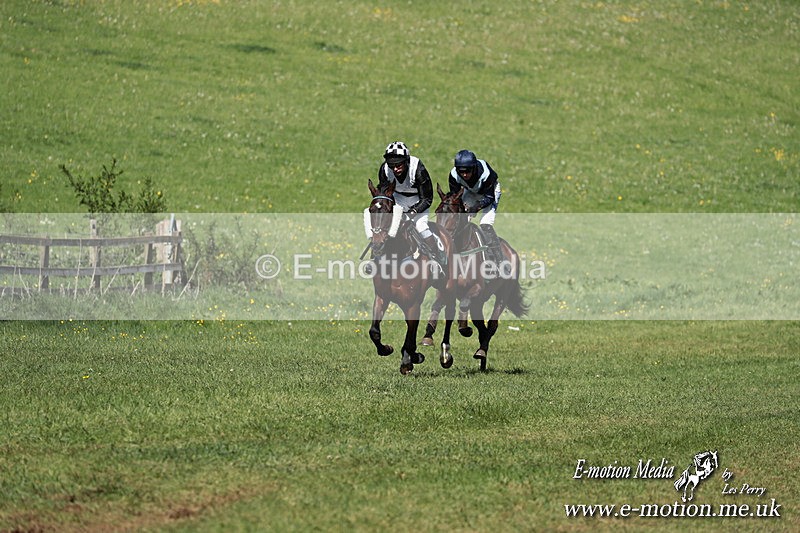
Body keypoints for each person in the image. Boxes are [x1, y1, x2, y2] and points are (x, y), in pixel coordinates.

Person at [377, 141, 446, 273]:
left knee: (421, 228)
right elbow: (385, 194)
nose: (395, 169)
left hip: (418, 201)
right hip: (398, 200)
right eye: (392, 165)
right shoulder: (385, 170)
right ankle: (376, 258)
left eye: (398, 165)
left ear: (406, 161)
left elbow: (427, 198)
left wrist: (413, 211)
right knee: (385, 227)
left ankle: (437, 260)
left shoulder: (418, 169)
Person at [448, 149, 503, 264]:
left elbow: (489, 197)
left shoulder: (486, 174)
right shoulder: (453, 175)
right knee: (460, 221)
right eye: (461, 171)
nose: (464, 175)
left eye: (468, 171)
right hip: (471, 191)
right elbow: (455, 197)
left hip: (490, 192)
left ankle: (499, 261)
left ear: (474, 168)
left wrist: (475, 208)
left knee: (485, 224)